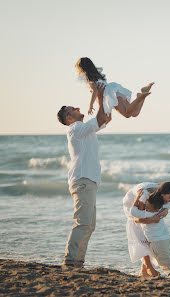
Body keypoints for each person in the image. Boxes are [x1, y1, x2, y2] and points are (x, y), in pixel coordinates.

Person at [57, 84, 110, 268]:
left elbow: (105, 118)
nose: (77, 107)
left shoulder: (84, 129)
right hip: (83, 181)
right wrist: (100, 95)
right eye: (72, 109)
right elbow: (100, 118)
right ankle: (70, 261)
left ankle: (78, 261)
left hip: (89, 181)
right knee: (82, 223)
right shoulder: (75, 129)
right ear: (69, 118)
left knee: (89, 225)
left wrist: (103, 98)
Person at [75, 57, 154, 118]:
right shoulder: (98, 74)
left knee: (127, 114)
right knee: (134, 113)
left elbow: (95, 91)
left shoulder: (89, 78)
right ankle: (142, 95)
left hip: (111, 95)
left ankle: (140, 97)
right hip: (114, 90)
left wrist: (90, 105)